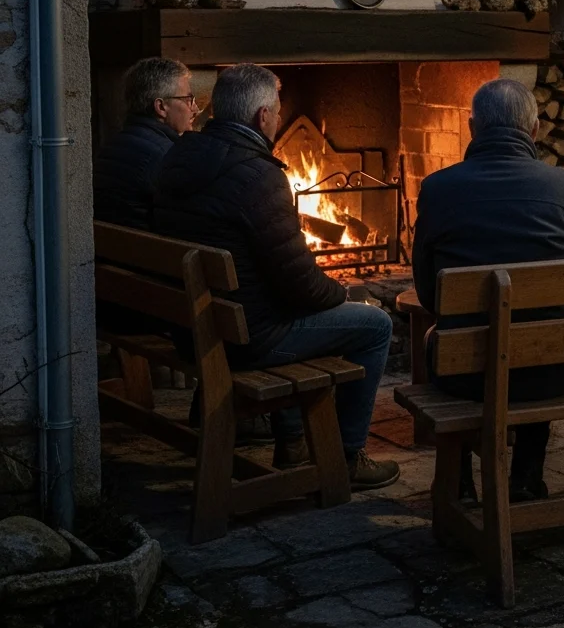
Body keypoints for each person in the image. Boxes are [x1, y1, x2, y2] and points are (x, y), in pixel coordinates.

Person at [154, 63, 399, 489]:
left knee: (284, 306)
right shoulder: (259, 176)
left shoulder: (180, 155)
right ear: (261, 116)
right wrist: (343, 293)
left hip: (194, 328)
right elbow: (300, 283)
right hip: (246, 339)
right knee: (375, 324)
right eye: (278, 111)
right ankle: (347, 455)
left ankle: (293, 443)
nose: (280, 118)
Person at [413, 78, 564, 502]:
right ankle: (527, 476)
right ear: (534, 131)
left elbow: (426, 293)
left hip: (466, 375)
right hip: (549, 371)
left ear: (473, 129)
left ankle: (458, 481)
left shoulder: (438, 188)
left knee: (437, 339)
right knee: (539, 332)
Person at [93, 57, 197, 230]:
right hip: (151, 254)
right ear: (161, 107)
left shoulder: (112, 146)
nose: (195, 109)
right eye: (188, 99)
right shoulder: (168, 157)